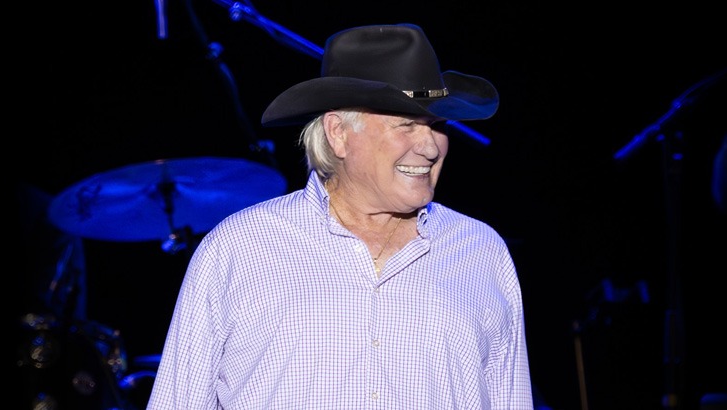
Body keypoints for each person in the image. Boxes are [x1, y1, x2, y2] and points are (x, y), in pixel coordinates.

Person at [147, 23, 533, 409]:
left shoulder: (480, 251)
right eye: (407, 124)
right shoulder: (241, 247)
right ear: (338, 133)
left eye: (438, 126)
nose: (430, 148)